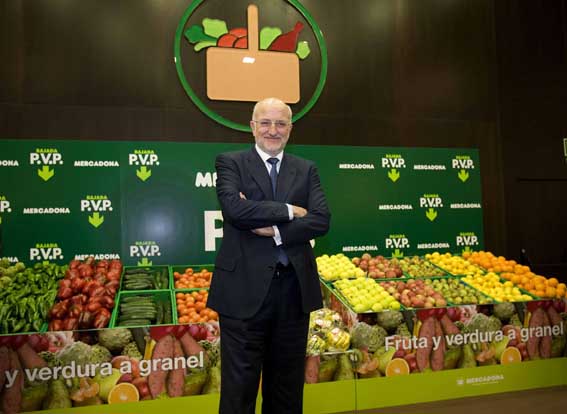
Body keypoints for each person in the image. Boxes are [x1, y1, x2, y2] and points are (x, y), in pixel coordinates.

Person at [208, 97, 331, 413]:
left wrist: (275, 230)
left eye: (280, 124)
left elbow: (321, 220)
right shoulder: (230, 163)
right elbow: (235, 211)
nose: (272, 130)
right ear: (252, 127)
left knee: (287, 391)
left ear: (290, 128)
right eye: (265, 123)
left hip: (294, 292)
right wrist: (291, 211)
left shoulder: (306, 169)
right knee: (238, 392)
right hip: (242, 293)